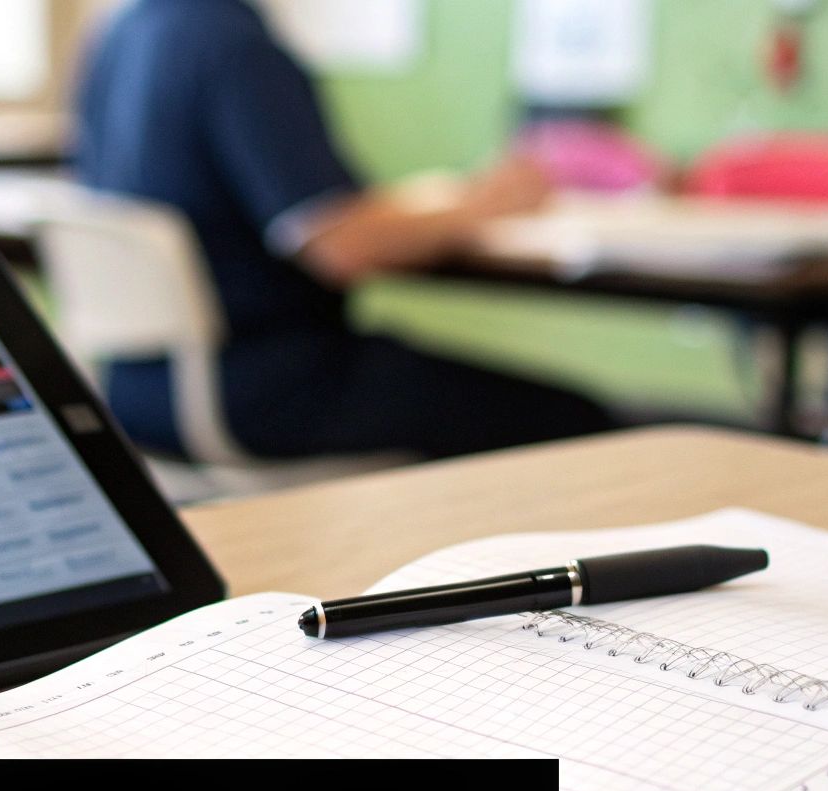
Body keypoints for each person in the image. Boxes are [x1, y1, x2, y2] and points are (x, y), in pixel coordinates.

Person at [75, 0, 613, 461]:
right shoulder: (235, 48)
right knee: (579, 418)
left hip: (136, 389)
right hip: (260, 387)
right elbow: (340, 245)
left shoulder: (122, 34)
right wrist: (484, 205)